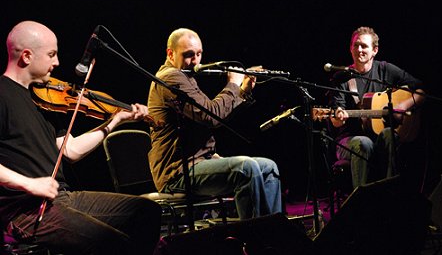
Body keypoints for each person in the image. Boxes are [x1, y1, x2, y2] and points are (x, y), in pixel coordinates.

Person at [0, 21, 162, 254]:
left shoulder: (43, 100)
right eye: (51, 55)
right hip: (25, 211)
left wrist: (115, 120)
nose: (56, 62)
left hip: (62, 198)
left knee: (147, 212)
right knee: (113, 244)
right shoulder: (2, 95)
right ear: (26, 56)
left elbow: (71, 150)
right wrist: (29, 183)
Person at [147, 28, 282, 220]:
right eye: (188, 55)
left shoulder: (185, 77)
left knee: (268, 167)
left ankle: (273, 234)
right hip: (177, 172)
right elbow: (211, 115)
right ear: (170, 53)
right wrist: (234, 83)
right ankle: (255, 239)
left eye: (199, 54)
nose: (195, 61)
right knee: (247, 168)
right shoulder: (170, 78)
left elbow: (214, 116)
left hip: (201, 163)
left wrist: (242, 91)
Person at [328, 26, 425, 189]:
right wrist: (338, 117)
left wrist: (403, 105)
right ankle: (362, 204)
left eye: (364, 46)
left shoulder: (385, 69)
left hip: (378, 138)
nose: (359, 49)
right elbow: (335, 121)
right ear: (350, 49)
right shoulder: (342, 77)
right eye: (355, 45)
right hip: (349, 141)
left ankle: (390, 195)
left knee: (390, 135)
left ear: (375, 50)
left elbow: (421, 91)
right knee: (363, 143)